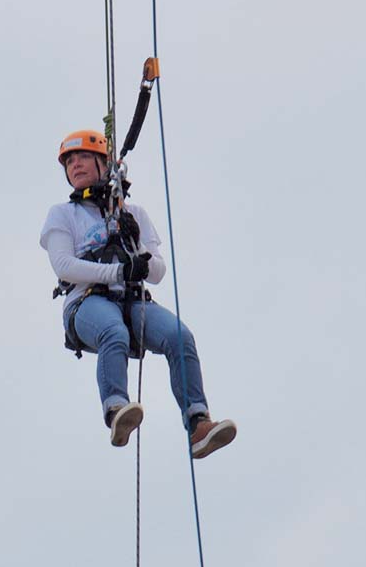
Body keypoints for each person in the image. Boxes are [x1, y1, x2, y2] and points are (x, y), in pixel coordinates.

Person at [39, 129, 236, 459]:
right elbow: (63, 265)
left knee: (179, 336)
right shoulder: (63, 214)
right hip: (86, 301)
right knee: (112, 332)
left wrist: (139, 256)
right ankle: (117, 409)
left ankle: (198, 424)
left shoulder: (134, 215)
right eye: (70, 161)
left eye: (83, 157)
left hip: (131, 300)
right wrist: (116, 271)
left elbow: (157, 271)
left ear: (104, 163)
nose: (75, 165)